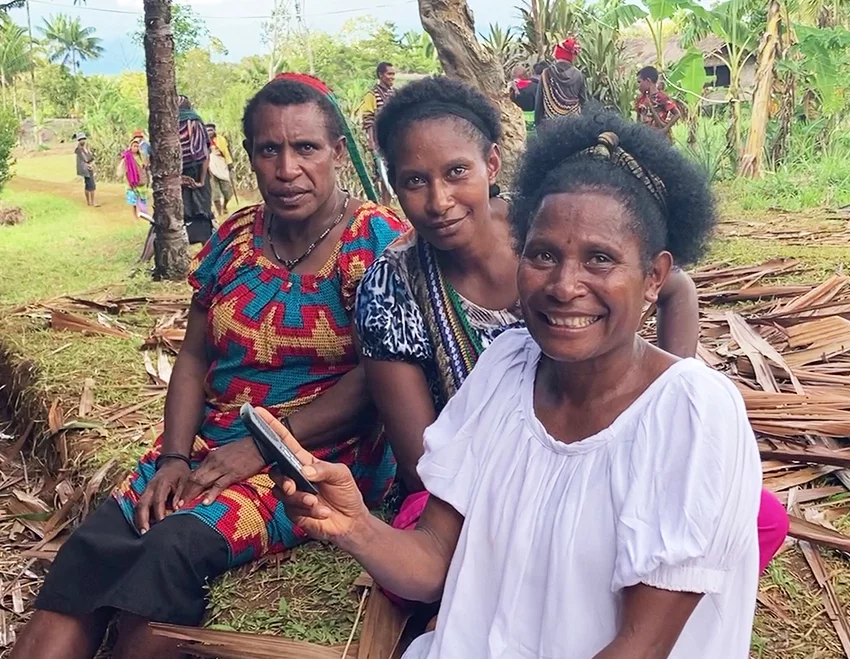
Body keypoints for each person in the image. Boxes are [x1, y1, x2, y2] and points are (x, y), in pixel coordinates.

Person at [273, 110, 762, 658]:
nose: (564, 285)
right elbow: (435, 563)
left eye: (599, 259)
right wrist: (356, 527)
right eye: (544, 255)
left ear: (653, 278)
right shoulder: (507, 368)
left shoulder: (693, 414)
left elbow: (640, 647)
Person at [12, 73, 407, 659]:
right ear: (248, 156)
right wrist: (173, 456)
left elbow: (380, 380)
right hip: (212, 442)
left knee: (173, 546)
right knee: (101, 541)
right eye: (269, 149)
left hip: (319, 461)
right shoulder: (234, 236)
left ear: (339, 153)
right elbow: (194, 356)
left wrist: (267, 449)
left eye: (306, 148)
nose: (287, 167)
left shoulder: (377, 241)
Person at [354, 77, 786, 579]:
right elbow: (421, 465)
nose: (439, 200)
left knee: (756, 519)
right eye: (414, 181)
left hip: (603, 448)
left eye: (456, 172)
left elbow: (677, 289)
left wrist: (667, 408)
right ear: (393, 184)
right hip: (477, 482)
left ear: (490, 164)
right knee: (431, 543)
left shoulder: (557, 218)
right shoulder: (392, 284)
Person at [178, 95, 214, 244]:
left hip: (177, 177)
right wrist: (200, 180)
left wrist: (177, 179)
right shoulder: (196, 123)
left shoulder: (166, 125)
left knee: (181, 215)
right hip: (197, 173)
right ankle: (207, 252)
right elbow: (205, 154)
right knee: (203, 212)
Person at [360, 61, 396, 205]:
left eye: (393, 74)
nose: (392, 77)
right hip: (379, 140)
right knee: (382, 176)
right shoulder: (372, 95)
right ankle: (384, 206)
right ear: (381, 75)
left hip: (393, 140)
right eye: (389, 74)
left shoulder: (394, 93)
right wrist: (371, 141)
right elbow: (368, 119)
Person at [535, 37, 587, 126]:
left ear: (557, 55)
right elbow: (583, 102)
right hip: (574, 125)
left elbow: (539, 103)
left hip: (550, 125)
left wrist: (538, 124)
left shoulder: (546, 74)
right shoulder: (579, 75)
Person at [636, 66, 681, 140]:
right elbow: (638, 118)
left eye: (639, 82)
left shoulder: (661, 97)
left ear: (648, 81)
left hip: (658, 138)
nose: (638, 85)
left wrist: (665, 129)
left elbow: (677, 114)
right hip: (644, 137)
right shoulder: (641, 99)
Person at [117, 137, 151, 220]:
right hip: (132, 181)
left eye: (137, 146)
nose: (135, 148)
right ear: (131, 147)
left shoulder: (141, 156)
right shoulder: (127, 157)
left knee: (142, 197)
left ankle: (143, 212)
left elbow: (145, 165)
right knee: (134, 200)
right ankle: (135, 214)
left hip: (142, 180)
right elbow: (123, 169)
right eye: (134, 146)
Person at [206, 123, 235, 216]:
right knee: (215, 195)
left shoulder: (221, 140)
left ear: (214, 130)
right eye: (207, 131)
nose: (209, 132)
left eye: (211, 130)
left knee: (228, 192)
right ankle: (220, 214)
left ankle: (225, 206)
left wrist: (229, 163)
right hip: (210, 168)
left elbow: (226, 152)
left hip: (222, 166)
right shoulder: (202, 141)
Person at [74, 132, 98, 207]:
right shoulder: (80, 150)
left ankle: (89, 202)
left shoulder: (84, 149)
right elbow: (86, 159)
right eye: (81, 139)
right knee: (92, 186)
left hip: (86, 169)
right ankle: (92, 202)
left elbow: (91, 158)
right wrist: (90, 165)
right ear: (78, 140)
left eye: (83, 139)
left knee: (88, 186)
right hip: (86, 169)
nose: (82, 141)